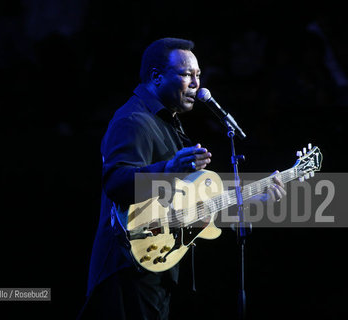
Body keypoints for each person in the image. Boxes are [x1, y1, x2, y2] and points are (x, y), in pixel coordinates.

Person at [79, 38, 286, 320]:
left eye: (198, 75)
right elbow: (116, 182)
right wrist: (172, 167)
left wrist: (252, 198)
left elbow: (188, 209)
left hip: (155, 268)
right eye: (186, 74)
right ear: (156, 77)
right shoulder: (133, 120)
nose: (196, 83)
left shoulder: (167, 123)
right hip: (126, 270)